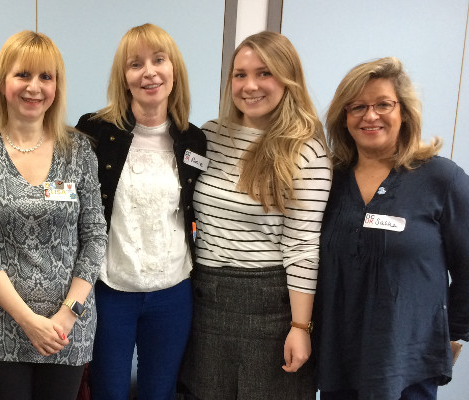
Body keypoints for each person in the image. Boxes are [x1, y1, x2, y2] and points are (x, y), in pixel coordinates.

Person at [180, 31, 331, 399]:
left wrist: (300, 326)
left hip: (268, 307)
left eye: (264, 73)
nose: (250, 85)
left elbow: (302, 247)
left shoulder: (306, 152)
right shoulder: (210, 135)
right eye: (240, 74)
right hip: (204, 298)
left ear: (287, 78)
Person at [0, 30, 107, 400]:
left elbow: (95, 237)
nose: (34, 87)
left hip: (66, 327)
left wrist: (68, 313)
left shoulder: (80, 152)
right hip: (1, 325)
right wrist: (28, 321)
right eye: (23, 75)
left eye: (46, 77)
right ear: (3, 82)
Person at [314, 57, 469, 400]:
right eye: (357, 107)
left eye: (383, 104)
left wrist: (452, 333)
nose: (370, 116)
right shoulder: (326, 180)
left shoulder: (442, 179)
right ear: (344, 117)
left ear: (404, 112)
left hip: (408, 365)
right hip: (339, 359)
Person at [74, 23, 206, 400]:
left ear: (173, 69)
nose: (149, 72)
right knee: (109, 391)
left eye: (158, 60)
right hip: (112, 288)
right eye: (136, 64)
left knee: (159, 392)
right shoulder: (95, 132)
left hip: (173, 292)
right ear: (124, 78)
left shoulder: (192, 140)